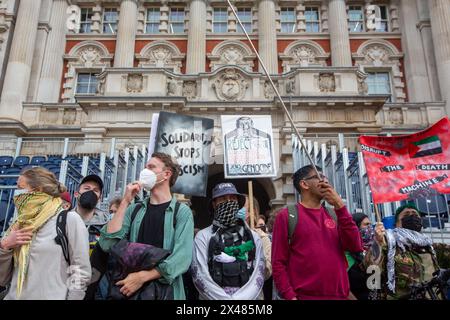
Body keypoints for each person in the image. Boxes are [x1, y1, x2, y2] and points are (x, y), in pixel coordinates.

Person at [99, 152, 194, 300]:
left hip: (166, 292)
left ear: (166, 174)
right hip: (131, 292)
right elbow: (107, 243)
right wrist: (125, 201)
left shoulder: (181, 212)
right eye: (145, 167)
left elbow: (182, 258)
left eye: (151, 167)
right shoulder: (134, 209)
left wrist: (142, 277)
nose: (145, 171)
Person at [272, 165, 363, 300]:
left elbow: (355, 246)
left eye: (325, 177)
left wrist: (340, 206)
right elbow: (278, 263)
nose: (325, 181)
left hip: (340, 296)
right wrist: (290, 296)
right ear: (304, 184)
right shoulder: (287, 216)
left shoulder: (335, 214)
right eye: (318, 176)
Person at [0, 167, 91, 300]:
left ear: (38, 191)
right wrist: (5, 246)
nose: (17, 193)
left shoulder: (69, 220)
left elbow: (81, 272)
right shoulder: (18, 224)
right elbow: (2, 280)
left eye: (20, 187)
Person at [191, 182, 265, 300]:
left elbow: (258, 273)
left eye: (232, 198)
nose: (228, 201)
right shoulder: (202, 237)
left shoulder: (253, 237)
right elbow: (200, 275)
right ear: (214, 204)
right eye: (223, 199)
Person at [365, 203, 443, 300]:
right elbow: (370, 268)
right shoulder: (387, 243)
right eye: (406, 215)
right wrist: (377, 243)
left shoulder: (430, 246)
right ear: (396, 224)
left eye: (415, 215)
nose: (411, 217)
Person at [73, 174, 109, 255]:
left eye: (95, 190)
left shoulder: (107, 226)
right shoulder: (63, 221)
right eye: (86, 188)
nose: (90, 192)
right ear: (76, 194)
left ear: (99, 198)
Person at [345, 213, 375, 300]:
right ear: (356, 227)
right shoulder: (347, 254)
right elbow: (341, 285)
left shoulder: (373, 250)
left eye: (370, 224)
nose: (370, 228)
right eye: (366, 224)